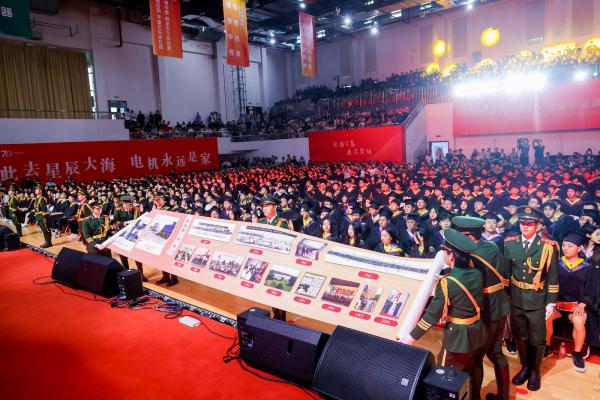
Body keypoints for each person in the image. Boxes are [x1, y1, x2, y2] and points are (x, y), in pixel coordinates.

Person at [399, 229, 486, 382]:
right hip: (477, 332)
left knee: (445, 378)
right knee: (466, 374)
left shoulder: (447, 283)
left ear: (451, 256)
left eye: (445, 251)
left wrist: (411, 337)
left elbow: (432, 315)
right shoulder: (476, 273)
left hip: (458, 338)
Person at [453, 216, 511, 400]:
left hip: (486, 310)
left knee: (477, 356)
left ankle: (475, 397)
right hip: (500, 306)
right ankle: (503, 396)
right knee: (496, 353)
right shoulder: (491, 246)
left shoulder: (470, 255)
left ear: (470, 237)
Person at [503, 206, 559, 392]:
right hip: (516, 298)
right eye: (522, 222)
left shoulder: (548, 246)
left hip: (537, 299)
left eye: (530, 223)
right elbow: (506, 273)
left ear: (537, 225)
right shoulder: (510, 243)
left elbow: (553, 276)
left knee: (537, 337)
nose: (525, 226)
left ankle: (535, 370)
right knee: (520, 336)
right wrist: (505, 297)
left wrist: (551, 302)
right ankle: (525, 367)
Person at [544, 232, 599, 373]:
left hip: (575, 306)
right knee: (546, 318)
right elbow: (548, 284)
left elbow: (591, 290)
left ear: (579, 248)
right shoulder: (556, 264)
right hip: (556, 304)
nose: (565, 248)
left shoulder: (588, 268)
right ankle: (547, 347)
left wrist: (582, 304)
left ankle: (577, 353)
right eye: (563, 245)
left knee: (579, 321)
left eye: (570, 246)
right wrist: (551, 301)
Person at [112, 195, 149, 282]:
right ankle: (126, 272)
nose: (130, 207)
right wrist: (126, 223)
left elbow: (139, 220)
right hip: (121, 233)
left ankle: (140, 273)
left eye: (131, 205)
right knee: (123, 256)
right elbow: (116, 223)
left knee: (137, 254)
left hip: (133, 233)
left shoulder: (135, 209)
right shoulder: (117, 210)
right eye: (128, 205)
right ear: (123, 203)